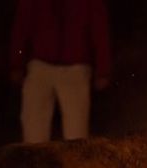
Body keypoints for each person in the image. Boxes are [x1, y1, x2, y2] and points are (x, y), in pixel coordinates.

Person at [10, 0, 111, 143]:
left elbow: (99, 28)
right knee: (33, 132)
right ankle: (37, 164)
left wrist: (103, 69)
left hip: (75, 68)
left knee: (76, 137)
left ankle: (74, 165)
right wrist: (17, 63)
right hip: (41, 65)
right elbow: (22, 25)